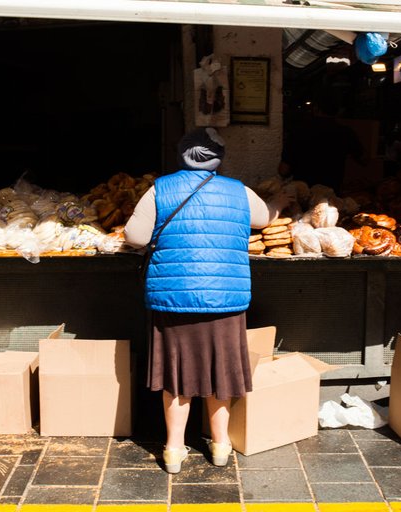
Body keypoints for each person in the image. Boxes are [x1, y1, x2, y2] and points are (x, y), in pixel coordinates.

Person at [124, 127, 293, 474]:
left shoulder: (160, 188)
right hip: (224, 299)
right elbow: (264, 219)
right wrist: (279, 203)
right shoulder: (238, 191)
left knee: (176, 376)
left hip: (174, 298)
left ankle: (172, 450)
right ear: (219, 157)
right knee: (221, 373)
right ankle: (220, 446)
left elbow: (135, 236)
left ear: (181, 154)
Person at [278, 93, 365, 193]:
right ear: (338, 111)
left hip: (303, 194)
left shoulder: (299, 131)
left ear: (315, 109)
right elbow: (364, 160)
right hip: (332, 195)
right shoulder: (346, 132)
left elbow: (283, 170)